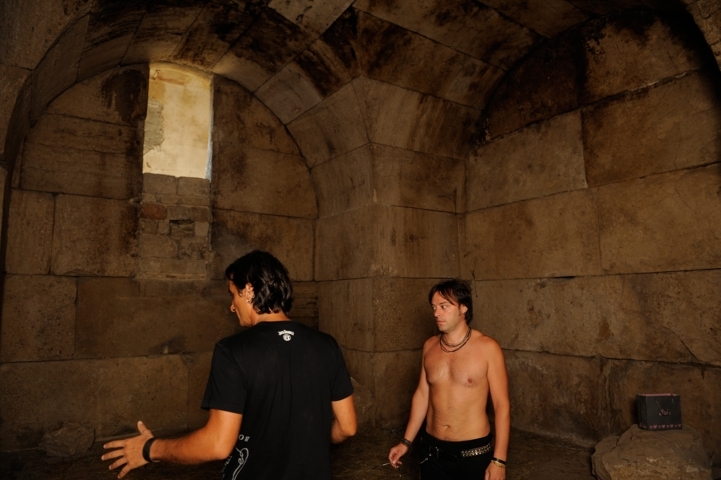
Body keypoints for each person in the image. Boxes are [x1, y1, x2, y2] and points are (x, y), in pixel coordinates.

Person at [102, 250, 357, 479]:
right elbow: (347, 427)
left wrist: (150, 449)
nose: (232, 305)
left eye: (233, 294)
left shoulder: (233, 350)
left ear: (248, 290)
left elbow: (217, 444)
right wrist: (306, 443)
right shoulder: (327, 345)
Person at [387, 279, 510, 480]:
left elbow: (501, 405)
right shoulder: (429, 346)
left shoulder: (488, 348)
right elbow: (422, 395)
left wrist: (499, 461)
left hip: (473, 453)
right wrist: (406, 442)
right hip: (431, 451)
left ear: (463, 307)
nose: (436, 313)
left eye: (444, 306)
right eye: (434, 307)